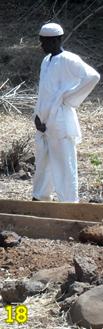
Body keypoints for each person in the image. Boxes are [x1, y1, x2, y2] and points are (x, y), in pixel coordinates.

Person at [32, 23, 99, 203]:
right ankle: (40, 199)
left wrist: (69, 98)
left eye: (43, 42)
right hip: (44, 122)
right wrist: (37, 115)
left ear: (54, 41)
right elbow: (44, 92)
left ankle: (69, 205)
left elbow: (93, 76)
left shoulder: (69, 59)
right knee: (43, 163)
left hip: (60, 120)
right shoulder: (46, 61)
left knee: (64, 166)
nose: (41, 45)